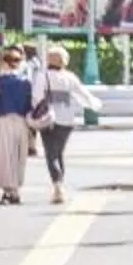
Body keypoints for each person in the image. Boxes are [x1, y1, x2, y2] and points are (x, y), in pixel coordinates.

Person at [35, 43, 88, 204]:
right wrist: (94, 104)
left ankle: (57, 187)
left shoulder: (42, 76)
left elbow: (36, 97)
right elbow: (83, 95)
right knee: (59, 153)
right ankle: (59, 185)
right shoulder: (70, 77)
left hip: (47, 119)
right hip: (67, 120)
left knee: (51, 154)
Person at [0, 47, 36, 203]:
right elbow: (30, 105)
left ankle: (8, 190)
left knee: (4, 157)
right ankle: (15, 189)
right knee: (18, 157)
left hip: (2, 121)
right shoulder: (26, 83)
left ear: (3, 63)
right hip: (21, 122)